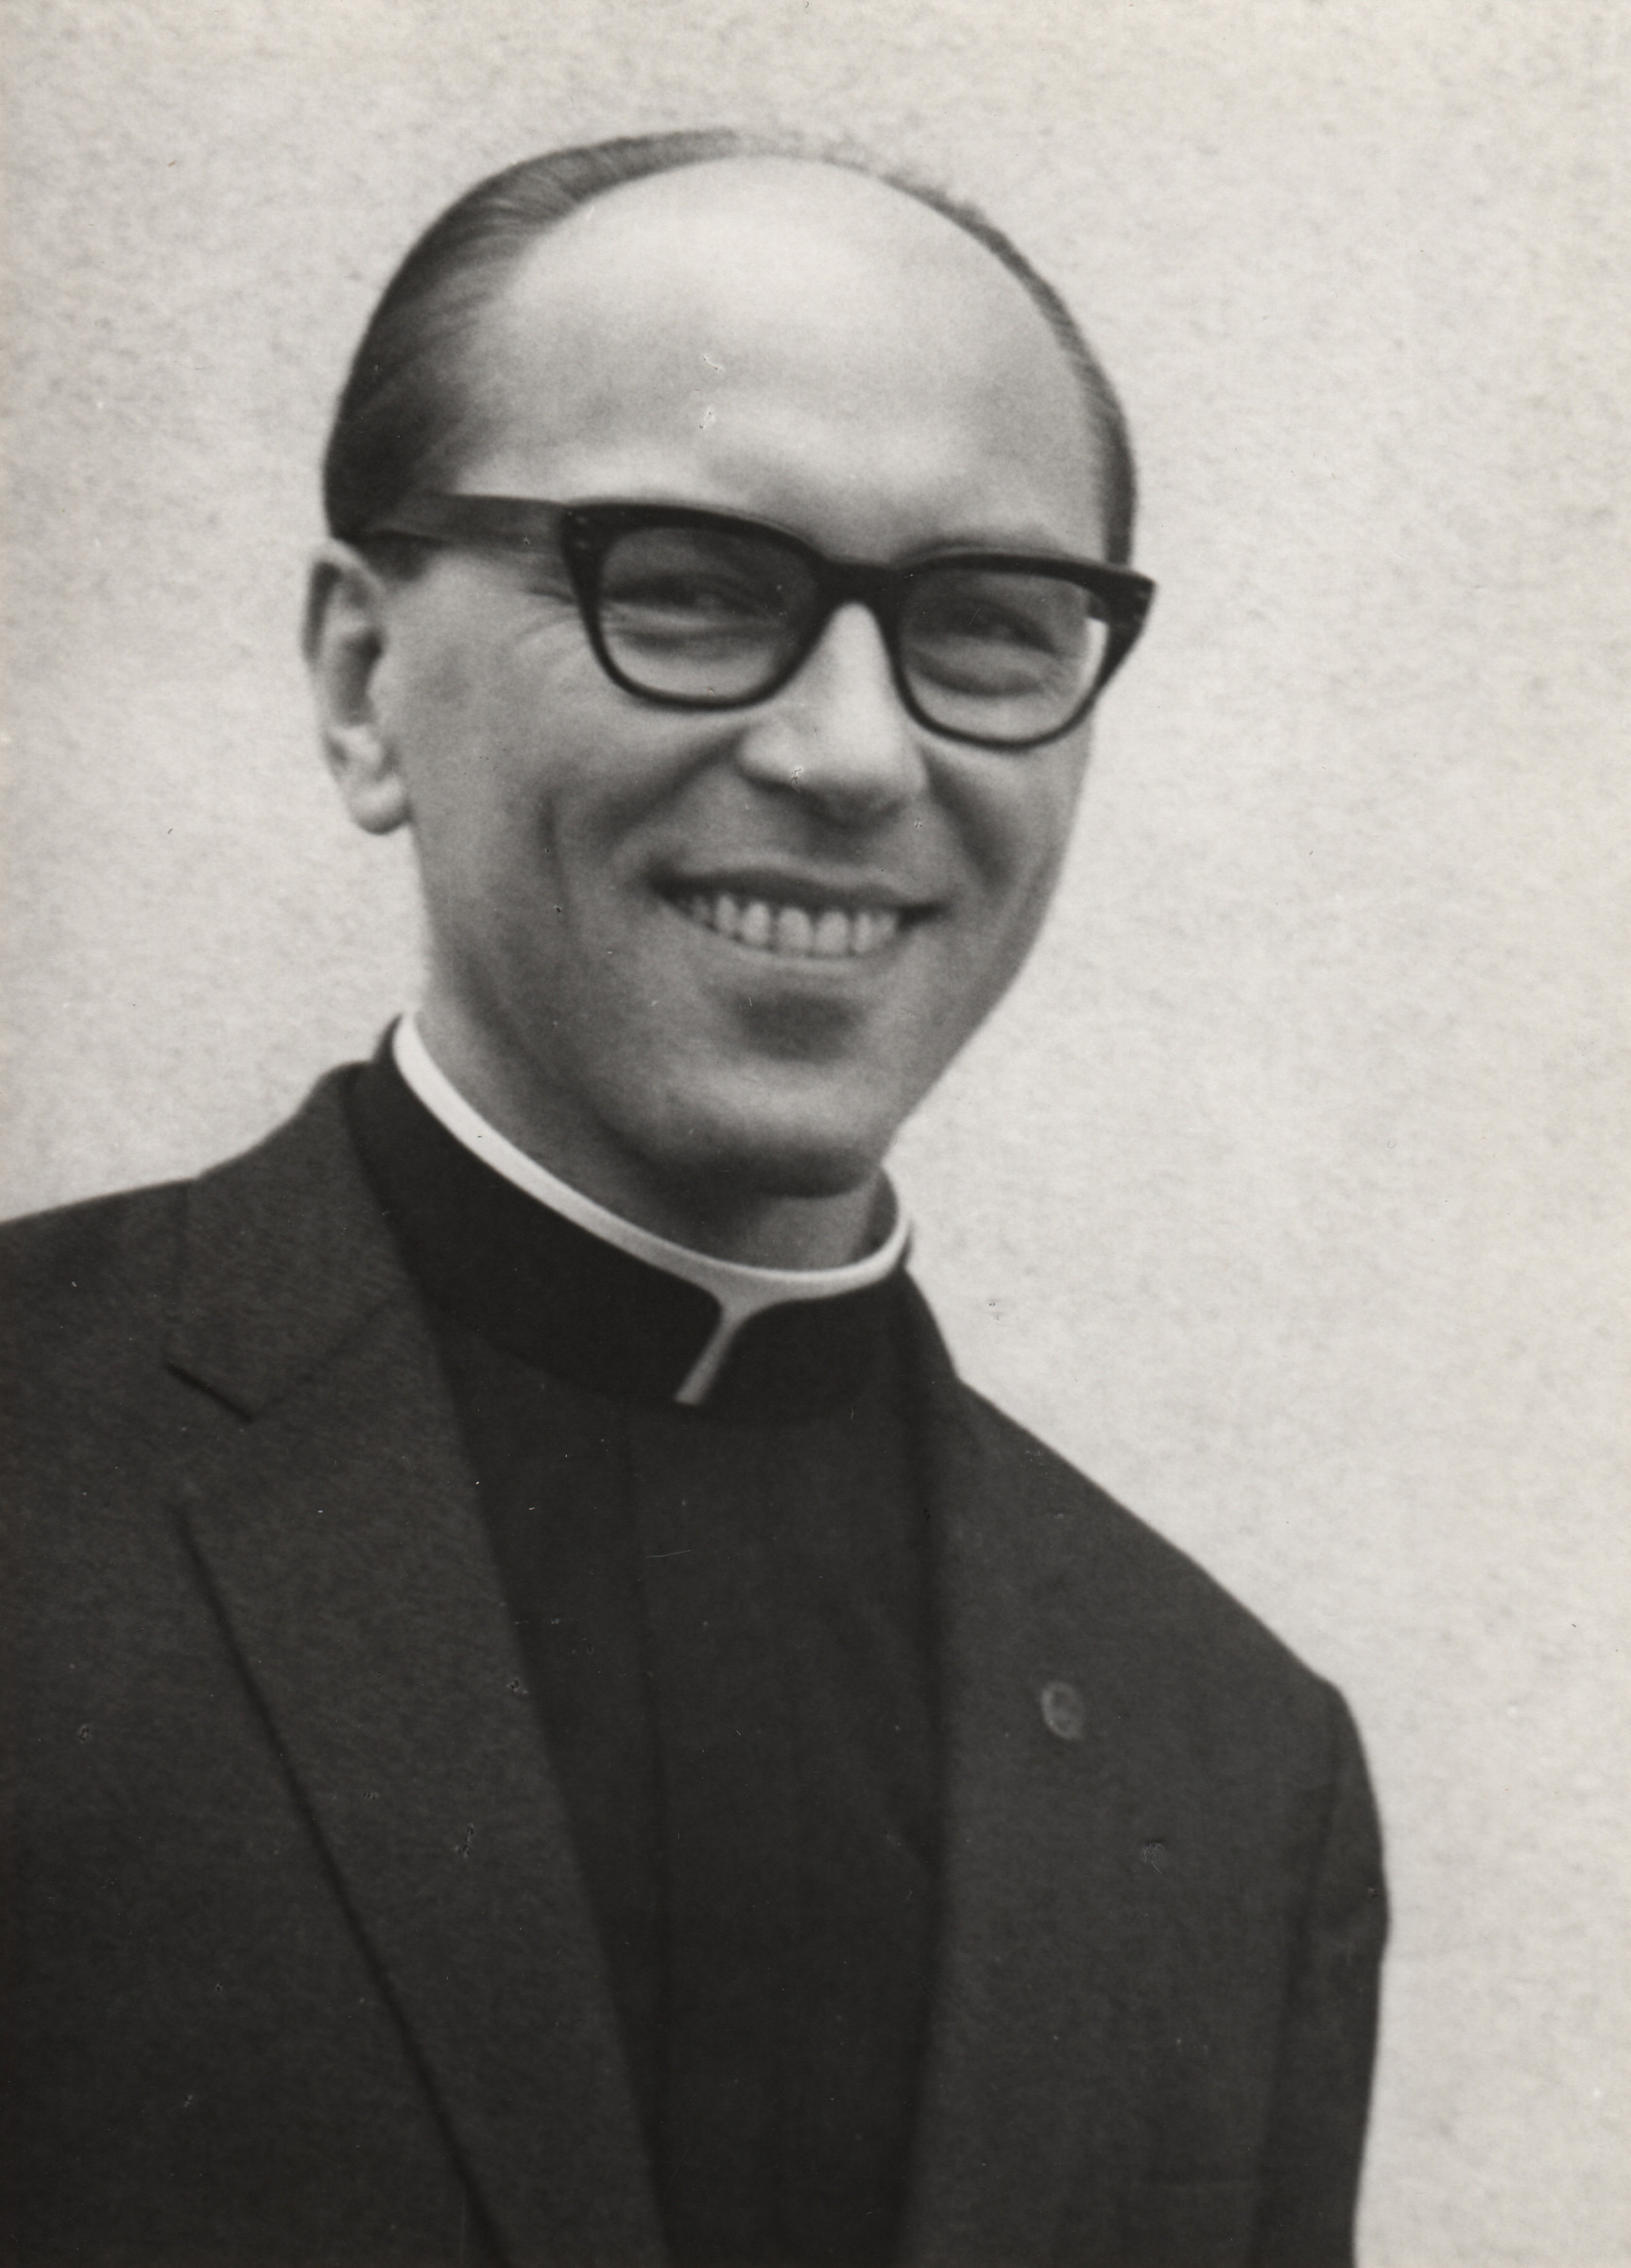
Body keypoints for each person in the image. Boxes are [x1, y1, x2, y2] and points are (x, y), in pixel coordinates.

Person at [2, 131, 1385, 2268]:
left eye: (986, 627)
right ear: (363, 684)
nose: (853, 754)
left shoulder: (1232, 1761)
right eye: (689, 588)